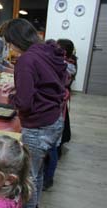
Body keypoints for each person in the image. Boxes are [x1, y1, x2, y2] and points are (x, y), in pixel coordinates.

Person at [2, 18, 66, 208]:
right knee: (36, 173)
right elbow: (54, 80)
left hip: (38, 126)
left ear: (16, 40)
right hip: (55, 120)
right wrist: (19, 84)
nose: (10, 49)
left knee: (27, 177)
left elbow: (25, 103)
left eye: (10, 43)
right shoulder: (46, 50)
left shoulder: (26, 60)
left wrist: (13, 97)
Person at [43, 38, 77, 190]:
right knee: (51, 146)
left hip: (55, 112)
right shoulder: (63, 64)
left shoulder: (66, 67)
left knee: (52, 147)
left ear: (63, 53)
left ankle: (48, 179)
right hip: (55, 110)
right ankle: (47, 175)